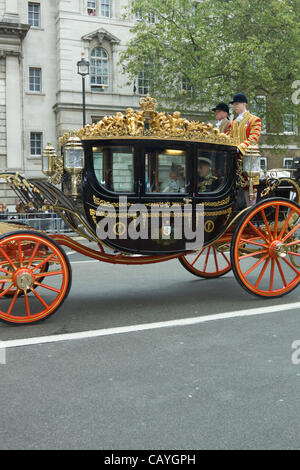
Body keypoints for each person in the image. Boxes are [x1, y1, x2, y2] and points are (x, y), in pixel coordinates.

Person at [229, 93, 262, 206]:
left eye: (237, 104)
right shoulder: (234, 123)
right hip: (236, 159)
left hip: (248, 158)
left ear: (244, 104)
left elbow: (253, 138)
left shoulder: (254, 120)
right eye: (234, 104)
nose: (235, 106)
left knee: (250, 187)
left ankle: (251, 212)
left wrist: (239, 148)